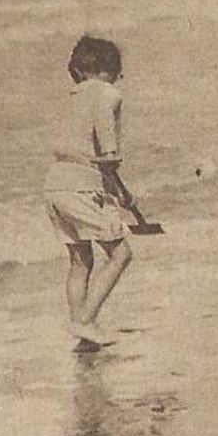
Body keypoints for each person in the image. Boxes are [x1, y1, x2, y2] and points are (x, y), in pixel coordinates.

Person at [45, 36, 135, 348]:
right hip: (82, 185)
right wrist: (120, 192)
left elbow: (80, 149)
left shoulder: (72, 96)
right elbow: (108, 156)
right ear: (108, 69)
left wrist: (118, 190)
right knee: (121, 253)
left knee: (80, 260)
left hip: (55, 184)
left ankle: (84, 336)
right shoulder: (107, 93)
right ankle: (83, 321)